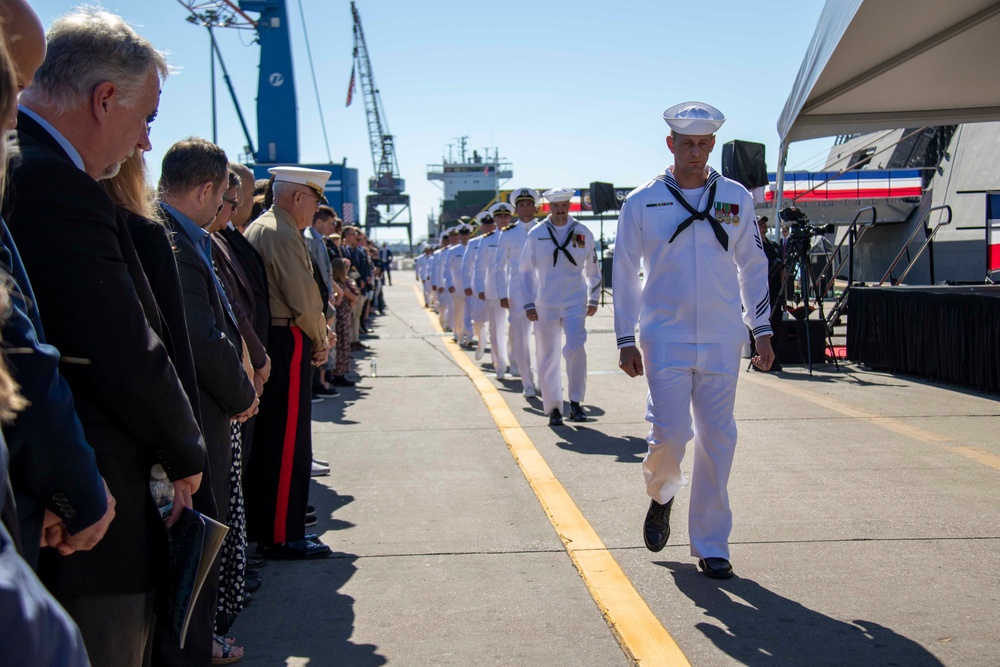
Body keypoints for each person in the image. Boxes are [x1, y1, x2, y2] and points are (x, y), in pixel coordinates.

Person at [5, 8, 207, 662]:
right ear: (103, 100)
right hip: (87, 513)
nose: (146, 143)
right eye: (146, 119)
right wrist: (186, 450)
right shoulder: (50, 182)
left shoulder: (34, 169)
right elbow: (116, 349)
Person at [613, 101, 774, 580]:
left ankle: (711, 543)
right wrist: (624, 336)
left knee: (718, 437)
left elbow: (753, 265)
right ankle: (662, 493)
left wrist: (762, 327)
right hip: (665, 336)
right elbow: (624, 270)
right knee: (670, 434)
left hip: (723, 336)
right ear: (671, 144)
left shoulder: (735, 197)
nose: (696, 153)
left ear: (713, 145)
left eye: (704, 144)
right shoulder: (642, 201)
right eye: (687, 144)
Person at [0, 0, 113, 568]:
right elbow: (22, 354)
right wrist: (78, 495)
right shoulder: (54, 181)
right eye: (12, 87)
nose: (13, 117)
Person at [243, 166, 333, 560]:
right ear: (297, 197)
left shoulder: (266, 226)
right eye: (314, 201)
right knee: (287, 440)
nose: (315, 210)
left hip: (276, 336)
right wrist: (320, 338)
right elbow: (304, 297)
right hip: (288, 336)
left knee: (274, 438)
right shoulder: (280, 231)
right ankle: (282, 534)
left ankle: (273, 526)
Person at [519, 188, 601, 426]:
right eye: (556, 205)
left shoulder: (582, 232)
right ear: (549, 207)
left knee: (576, 348)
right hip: (545, 303)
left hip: (575, 301)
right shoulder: (537, 234)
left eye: (564, 204)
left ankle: (575, 403)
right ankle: (554, 407)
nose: (561, 209)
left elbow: (593, 269)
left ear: (569, 205)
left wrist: (594, 298)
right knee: (547, 354)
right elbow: (525, 271)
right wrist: (528, 302)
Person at [495, 187, 540, 397]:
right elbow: (499, 267)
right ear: (516, 209)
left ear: (535, 207)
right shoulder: (508, 234)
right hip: (517, 292)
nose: (525, 208)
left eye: (529, 204)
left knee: (544, 339)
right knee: (521, 339)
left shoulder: (544, 230)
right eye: (521, 205)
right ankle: (527, 382)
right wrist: (502, 294)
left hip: (543, 291)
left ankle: (542, 379)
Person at [476, 202, 511, 378]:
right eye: (499, 216)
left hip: (517, 289)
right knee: (496, 329)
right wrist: (480, 287)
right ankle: (499, 365)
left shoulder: (518, 235)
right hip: (494, 289)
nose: (503, 219)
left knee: (517, 330)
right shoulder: (487, 240)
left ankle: (516, 361)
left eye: (506, 216)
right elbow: (479, 266)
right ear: (495, 219)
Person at [750, 216, 784, 372]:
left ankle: (773, 358)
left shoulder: (774, 246)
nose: (762, 224)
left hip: (775, 292)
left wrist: (784, 292)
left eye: (764, 222)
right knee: (759, 323)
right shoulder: (754, 245)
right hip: (760, 292)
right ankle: (758, 358)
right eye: (759, 222)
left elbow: (782, 270)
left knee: (775, 324)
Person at [465, 211, 495, 361]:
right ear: (481, 226)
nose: (488, 227)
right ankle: (481, 340)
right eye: (485, 225)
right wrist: (467, 284)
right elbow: (466, 266)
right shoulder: (473, 243)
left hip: (495, 286)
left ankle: (496, 350)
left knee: (496, 321)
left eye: (490, 225)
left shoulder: (501, 239)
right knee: (478, 319)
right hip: (478, 287)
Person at [446, 221, 474, 346]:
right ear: (459, 235)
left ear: (469, 234)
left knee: (470, 312)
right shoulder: (453, 251)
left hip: (472, 286)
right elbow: (447, 269)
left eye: (466, 233)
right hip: (457, 287)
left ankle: (469, 336)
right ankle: (459, 334)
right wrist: (450, 284)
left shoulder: (475, 248)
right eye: (462, 234)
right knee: (458, 313)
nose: (464, 236)